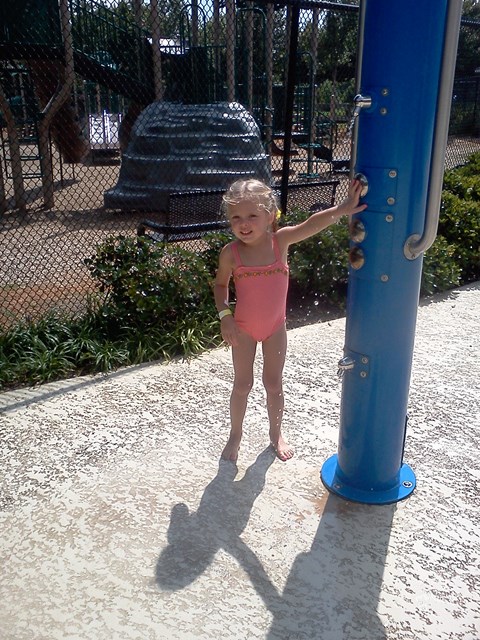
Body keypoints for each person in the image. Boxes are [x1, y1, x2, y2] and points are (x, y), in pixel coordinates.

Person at [214, 178, 367, 462]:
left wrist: (342, 209)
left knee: (273, 384)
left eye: (252, 216)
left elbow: (310, 224)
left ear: (270, 216)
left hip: (275, 329)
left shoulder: (279, 242)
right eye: (236, 217)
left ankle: (276, 434)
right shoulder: (231, 253)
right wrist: (225, 316)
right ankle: (235, 434)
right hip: (243, 330)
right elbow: (221, 285)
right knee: (242, 385)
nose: (243, 224)